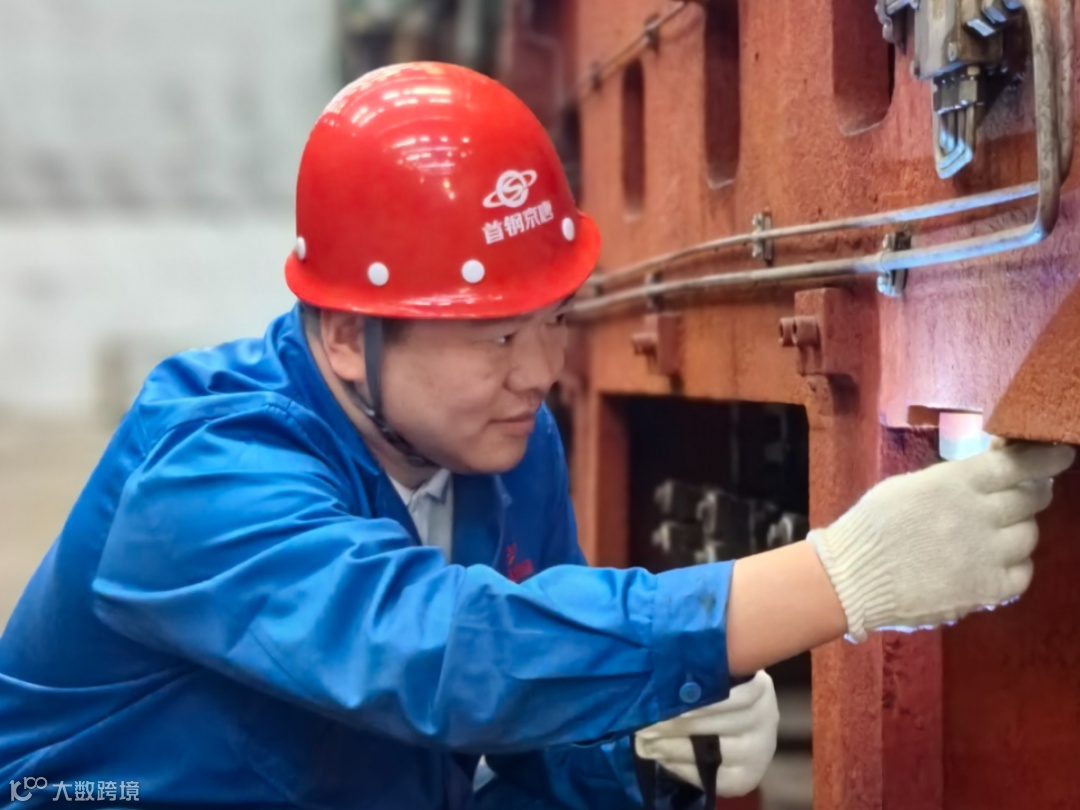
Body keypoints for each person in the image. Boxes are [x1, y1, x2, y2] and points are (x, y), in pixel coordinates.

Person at [0, 62, 1073, 810]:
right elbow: (439, 657)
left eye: (552, 318)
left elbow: (512, 737)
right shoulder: (205, 472)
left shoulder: (503, 453)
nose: (539, 371)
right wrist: (832, 579)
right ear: (344, 337)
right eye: (494, 337)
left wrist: (639, 756)